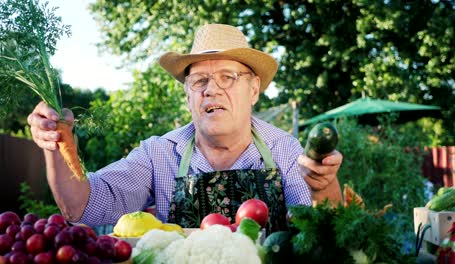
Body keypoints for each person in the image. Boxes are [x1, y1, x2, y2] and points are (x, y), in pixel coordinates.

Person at [27, 24, 343, 231]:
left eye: (227, 77)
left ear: (254, 89)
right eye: (199, 81)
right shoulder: (158, 154)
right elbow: (83, 207)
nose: (211, 90)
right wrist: (57, 145)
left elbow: (322, 230)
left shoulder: (285, 149)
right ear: (188, 96)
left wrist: (323, 187)